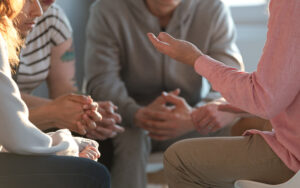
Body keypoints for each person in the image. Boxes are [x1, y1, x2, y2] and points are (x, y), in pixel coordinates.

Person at [84, 0, 244, 187]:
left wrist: (196, 115)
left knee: (237, 126)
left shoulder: (212, 7)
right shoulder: (107, 8)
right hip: (129, 119)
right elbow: (102, 80)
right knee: (129, 139)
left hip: (191, 116)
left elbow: (232, 81)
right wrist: (136, 114)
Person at [148, 0, 300, 186]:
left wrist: (196, 59)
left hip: (292, 149)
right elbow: (280, 89)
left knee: (178, 159)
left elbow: (266, 97)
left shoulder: (289, 4)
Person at [0, 0, 110, 187]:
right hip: (15, 131)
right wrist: (69, 146)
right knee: (91, 174)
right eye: (27, 0)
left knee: (102, 141)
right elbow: (11, 128)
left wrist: (84, 111)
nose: (39, 10)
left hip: (14, 130)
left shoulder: (53, 20)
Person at [15, 0, 124, 139]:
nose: (51, 1)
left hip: (24, 121)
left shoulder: (52, 18)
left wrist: (85, 110)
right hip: (12, 123)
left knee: (102, 138)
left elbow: (65, 90)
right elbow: (5, 96)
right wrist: (57, 110)